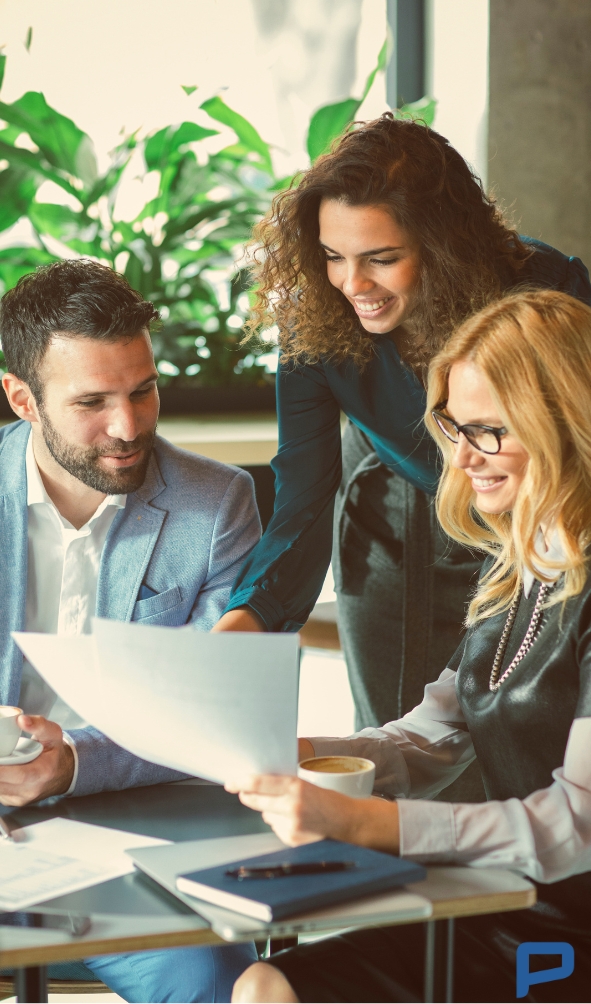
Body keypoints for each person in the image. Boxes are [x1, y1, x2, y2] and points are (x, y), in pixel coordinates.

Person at [214, 115, 591, 800]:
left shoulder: (543, 288)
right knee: (398, 747)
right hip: (397, 520)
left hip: (543, 527)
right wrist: (248, 622)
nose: (350, 283)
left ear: (442, 244)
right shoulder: (313, 321)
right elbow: (301, 497)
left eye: (380, 258)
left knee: (532, 760)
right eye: (331, 255)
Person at [229, 289, 591, 1003]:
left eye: (488, 432)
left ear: (567, 424)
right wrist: (311, 757)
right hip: (504, 901)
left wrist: (372, 823)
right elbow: (433, 737)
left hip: (567, 940)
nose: (460, 458)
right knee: (265, 982)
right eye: (453, 427)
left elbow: (574, 825)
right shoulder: (522, 559)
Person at [0, 260, 260, 1002]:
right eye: (92, 402)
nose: (128, 426)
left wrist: (74, 763)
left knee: (213, 984)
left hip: (132, 842)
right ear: (22, 399)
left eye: (142, 391)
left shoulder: (217, 506)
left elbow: (214, 719)